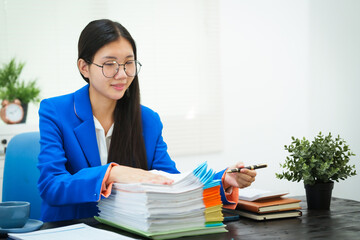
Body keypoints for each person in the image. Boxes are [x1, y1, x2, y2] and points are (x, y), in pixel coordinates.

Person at [37, 19, 257, 222]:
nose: (122, 74)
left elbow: (170, 182)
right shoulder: (55, 112)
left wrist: (224, 181)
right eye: (110, 64)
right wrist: (111, 173)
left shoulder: (147, 120)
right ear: (84, 67)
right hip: (71, 230)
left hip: (127, 229)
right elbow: (51, 185)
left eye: (128, 63)